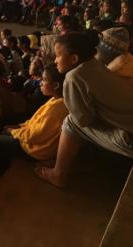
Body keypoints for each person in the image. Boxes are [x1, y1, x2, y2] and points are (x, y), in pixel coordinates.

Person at [37, 31, 133, 188]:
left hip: (129, 139)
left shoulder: (74, 77)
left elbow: (83, 120)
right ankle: (69, 160)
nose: (55, 61)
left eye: (58, 56)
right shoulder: (95, 64)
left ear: (74, 59)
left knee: (71, 122)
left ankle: (58, 174)